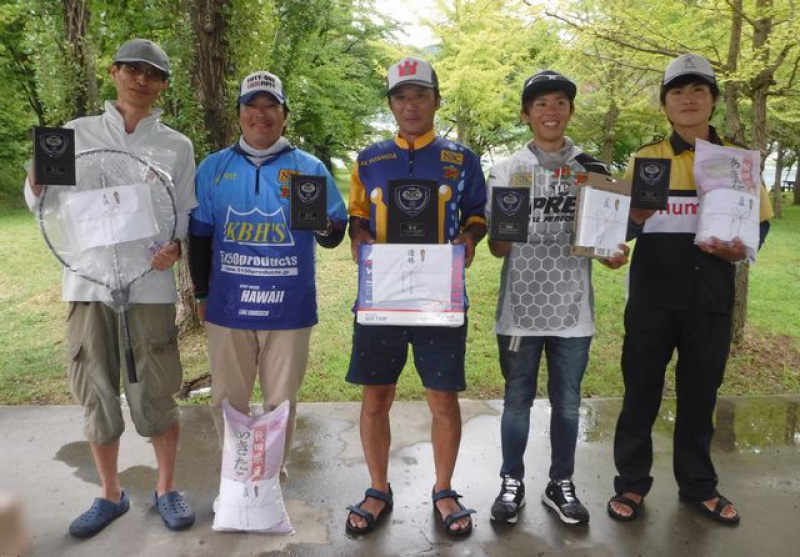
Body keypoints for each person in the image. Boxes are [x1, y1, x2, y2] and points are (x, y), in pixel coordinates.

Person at [24, 39, 196, 537]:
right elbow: (42, 205)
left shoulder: (176, 145)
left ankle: (166, 488)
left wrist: (175, 248)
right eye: (132, 70)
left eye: (152, 73)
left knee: (157, 392)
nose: (141, 80)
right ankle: (110, 494)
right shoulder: (74, 134)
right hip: (88, 285)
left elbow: (183, 213)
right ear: (114, 71)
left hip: (150, 288)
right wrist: (35, 182)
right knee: (96, 391)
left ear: (163, 84)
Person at [607, 53, 773, 525]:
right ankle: (632, 484)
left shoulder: (740, 162)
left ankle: (699, 486)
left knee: (701, 396)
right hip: (651, 300)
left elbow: (758, 229)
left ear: (713, 101)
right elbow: (623, 228)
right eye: (677, 92)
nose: (688, 99)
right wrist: (629, 222)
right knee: (640, 393)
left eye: (698, 90)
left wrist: (740, 251)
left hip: (711, 300)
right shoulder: (646, 158)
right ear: (665, 104)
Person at [344, 57, 487, 537]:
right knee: (375, 397)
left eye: (420, 95)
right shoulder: (369, 159)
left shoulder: (461, 158)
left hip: (438, 299)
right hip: (381, 295)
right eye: (401, 96)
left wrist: (469, 240)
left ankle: (444, 488)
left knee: (442, 398)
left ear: (436, 101)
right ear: (391, 104)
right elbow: (357, 216)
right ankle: (378, 487)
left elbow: (478, 214)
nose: (411, 105)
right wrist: (357, 235)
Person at [188, 70, 347, 484]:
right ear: (239, 114)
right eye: (251, 106)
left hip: (289, 307)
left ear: (285, 114)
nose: (261, 114)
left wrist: (323, 226)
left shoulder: (307, 167)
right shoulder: (213, 168)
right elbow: (201, 237)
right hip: (227, 305)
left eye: (270, 105)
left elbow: (333, 235)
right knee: (228, 400)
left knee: (281, 402)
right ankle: (237, 476)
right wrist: (202, 293)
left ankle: (271, 476)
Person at [486, 70, 629, 526]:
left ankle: (560, 482)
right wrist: (504, 231)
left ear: (570, 110)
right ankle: (512, 481)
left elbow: (606, 243)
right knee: (516, 401)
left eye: (560, 103)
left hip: (573, 312)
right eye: (541, 103)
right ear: (527, 114)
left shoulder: (593, 171)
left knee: (568, 404)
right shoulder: (507, 170)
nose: (551, 111)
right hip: (520, 311)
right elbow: (495, 247)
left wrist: (611, 254)